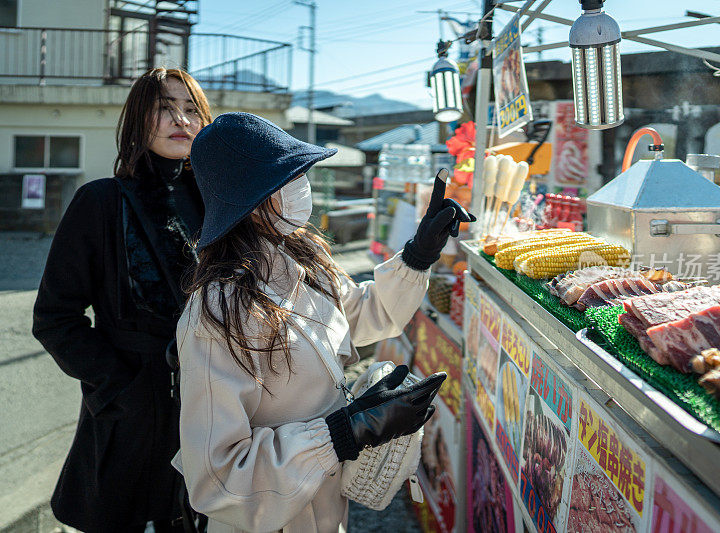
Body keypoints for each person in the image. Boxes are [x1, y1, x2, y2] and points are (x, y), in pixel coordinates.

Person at [173, 112, 475, 532]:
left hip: (325, 508)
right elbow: (218, 478)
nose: (303, 187)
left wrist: (418, 254)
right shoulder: (216, 313)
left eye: (301, 174)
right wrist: (342, 434)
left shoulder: (302, 259)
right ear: (251, 199)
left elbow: (365, 316)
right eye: (288, 179)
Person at [32, 67, 212, 532]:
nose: (181, 119)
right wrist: (118, 388)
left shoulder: (222, 204)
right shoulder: (101, 201)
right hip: (132, 408)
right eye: (164, 107)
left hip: (212, 405)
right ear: (138, 119)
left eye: (191, 108)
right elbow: (55, 318)